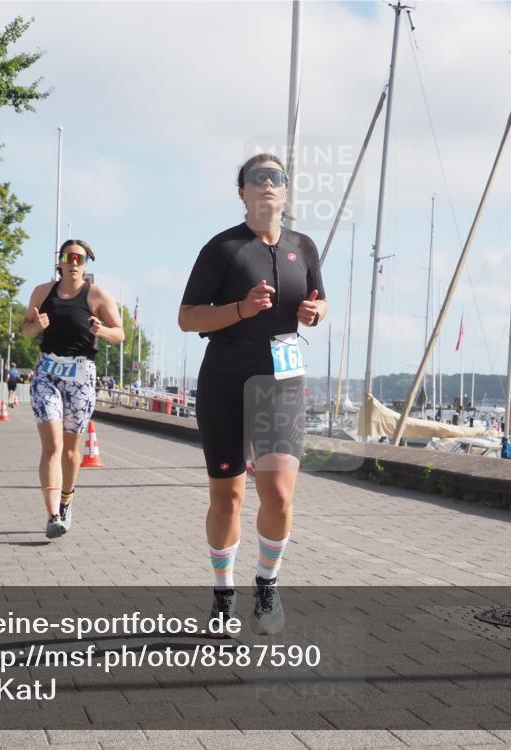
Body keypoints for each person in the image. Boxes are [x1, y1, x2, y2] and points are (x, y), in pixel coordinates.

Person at [178, 154, 327, 635]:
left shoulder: (303, 246)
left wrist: (315, 312)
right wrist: (240, 309)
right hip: (226, 377)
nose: (267, 184)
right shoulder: (222, 249)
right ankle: (223, 595)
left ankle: (267, 586)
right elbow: (189, 318)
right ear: (241, 191)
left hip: (281, 382)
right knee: (228, 498)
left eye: (275, 178)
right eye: (257, 178)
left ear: (286, 192)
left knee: (280, 495)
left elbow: (320, 299)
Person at [23, 239, 124, 539]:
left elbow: (119, 334)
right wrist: (36, 326)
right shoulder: (43, 292)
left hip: (81, 376)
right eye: (69, 257)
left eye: (81, 258)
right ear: (60, 262)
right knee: (52, 445)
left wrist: (101, 330)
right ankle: (52, 514)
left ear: (87, 264)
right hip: (47, 374)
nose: (75, 263)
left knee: (70, 450)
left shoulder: (97, 295)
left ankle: (67, 501)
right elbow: (26, 329)